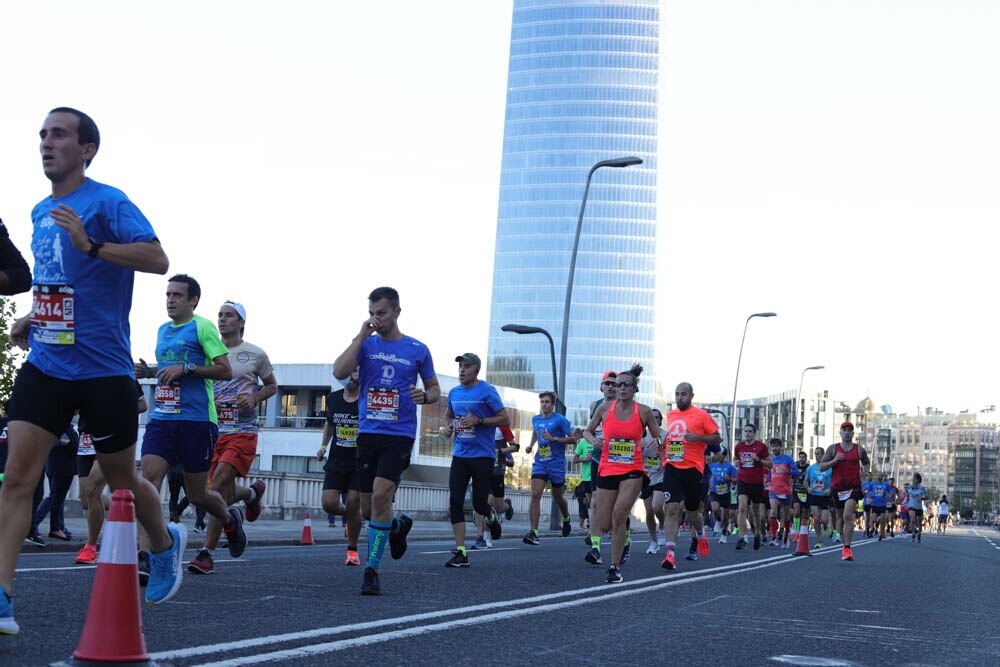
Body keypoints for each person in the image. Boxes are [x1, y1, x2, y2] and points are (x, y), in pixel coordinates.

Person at [0, 107, 181, 635]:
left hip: (103, 368)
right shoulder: (38, 211)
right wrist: (35, 316)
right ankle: (2, 597)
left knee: (122, 480)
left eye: (58, 135)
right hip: (48, 364)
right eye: (41, 135)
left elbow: (158, 258)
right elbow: (60, 279)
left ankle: (165, 542)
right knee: (17, 478)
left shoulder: (107, 201)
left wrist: (93, 244)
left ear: (86, 150)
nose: (45, 143)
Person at [333, 286, 440, 596]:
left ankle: (372, 570)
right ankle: (395, 526)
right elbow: (339, 371)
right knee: (367, 509)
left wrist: (425, 396)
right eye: (371, 313)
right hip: (368, 433)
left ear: (396, 312)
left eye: (380, 313)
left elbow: (433, 389)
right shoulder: (366, 345)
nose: (375, 319)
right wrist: (360, 335)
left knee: (381, 497)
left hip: (400, 434)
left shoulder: (418, 349)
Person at [134, 274, 241, 581]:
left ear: (192, 300)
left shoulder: (203, 326)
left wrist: (188, 368)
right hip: (163, 419)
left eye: (177, 295)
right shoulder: (162, 331)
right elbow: (170, 370)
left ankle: (229, 520)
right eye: (168, 294)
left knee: (197, 495)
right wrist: (150, 371)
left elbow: (224, 369)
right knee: (148, 482)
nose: (170, 299)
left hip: (197, 421)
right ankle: (146, 556)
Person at [187, 300, 277, 575]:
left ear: (241, 323)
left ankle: (207, 553)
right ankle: (250, 494)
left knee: (215, 487)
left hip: (242, 432)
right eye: (220, 315)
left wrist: (254, 396)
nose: (222, 319)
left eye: (229, 316)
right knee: (212, 494)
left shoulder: (254, 354)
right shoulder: (207, 352)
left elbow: (272, 385)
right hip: (213, 431)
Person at [581, 365, 660, 583]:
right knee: (605, 524)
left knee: (619, 515)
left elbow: (658, 436)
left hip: (633, 469)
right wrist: (592, 439)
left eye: (626, 385)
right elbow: (588, 430)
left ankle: (614, 567)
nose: (621, 388)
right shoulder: (605, 409)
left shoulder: (643, 411)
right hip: (608, 467)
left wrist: (650, 442)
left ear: (635, 388)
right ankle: (625, 539)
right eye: (618, 385)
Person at [441, 353, 509, 568]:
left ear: (476, 370)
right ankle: (461, 552)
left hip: (482, 455)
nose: (461, 370)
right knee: (456, 501)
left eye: (466, 366)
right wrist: (449, 427)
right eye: (460, 366)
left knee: (480, 504)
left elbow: (504, 418)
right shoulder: (454, 392)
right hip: (460, 455)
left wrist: (478, 420)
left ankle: (491, 518)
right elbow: (448, 415)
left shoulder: (487, 391)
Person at [75, 381, 148, 564]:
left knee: (92, 489)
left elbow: (142, 405)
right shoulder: (79, 371)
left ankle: (90, 547)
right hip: (85, 440)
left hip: (110, 436)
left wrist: (112, 408)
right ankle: (123, 503)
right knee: (86, 499)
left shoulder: (121, 370)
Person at [658, 382, 721, 571]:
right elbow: (671, 438)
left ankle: (700, 534)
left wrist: (699, 438)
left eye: (683, 394)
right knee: (672, 509)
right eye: (677, 394)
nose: (679, 398)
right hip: (672, 467)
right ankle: (670, 554)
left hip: (693, 469)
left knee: (693, 513)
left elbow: (717, 438)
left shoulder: (701, 415)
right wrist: (661, 446)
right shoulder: (672, 415)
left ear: (691, 395)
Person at [316, 366, 364, 566]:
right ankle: (354, 517)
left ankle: (352, 550)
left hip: (359, 462)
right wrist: (323, 446)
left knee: (353, 501)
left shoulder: (366, 401)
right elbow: (330, 423)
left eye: (357, 372)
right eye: (350, 372)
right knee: (328, 504)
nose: (353, 376)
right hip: (336, 460)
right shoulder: (334, 398)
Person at [819, 421, 871, 561]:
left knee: (848, 515)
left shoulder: (859, 450)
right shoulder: (833, 449)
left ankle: (847, 548)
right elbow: (822, 467)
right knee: (840, 517)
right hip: (837, 488)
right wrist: (834, 460)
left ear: (853, 433)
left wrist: (864, 470)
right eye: (844, 430)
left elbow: (866, 462)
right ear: (840, 433)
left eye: (850, 430)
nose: (847, 432)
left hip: (853, 487)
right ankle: (843, 541)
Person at [582, 371, 618, 562]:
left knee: (616, 507)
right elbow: (590, 430)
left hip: (619, 461)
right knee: (595, 501)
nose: (611, 387)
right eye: (607, 383)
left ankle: (623, 535)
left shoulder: (625, 406)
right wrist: (592, 439)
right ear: (601, 387)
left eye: (614, 383)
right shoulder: (594, 405)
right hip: (598, 459)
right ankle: (596, 547)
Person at [31, 425, 79, 542]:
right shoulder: (61, 428)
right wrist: (66, 443)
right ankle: (36, 523)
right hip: (61, 467)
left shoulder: (64, 427)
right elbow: (62, 444)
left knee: (59, 498)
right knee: (55, 497)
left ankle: (59, 526)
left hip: (59, 467)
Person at [472, 427, 519, 548]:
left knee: (497, 507)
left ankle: (507, 506)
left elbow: (515, 447)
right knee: (482, 503)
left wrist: (500, 451)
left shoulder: (502, 426)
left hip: (497, 471)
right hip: (481, 468)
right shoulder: (477, 423)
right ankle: (482, 537)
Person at [734, 424, 772, 551]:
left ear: (755, 433)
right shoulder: (739, 446)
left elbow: (770, 464)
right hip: (742, 480)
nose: (747, 433)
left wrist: (759, 460)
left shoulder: (761, 447)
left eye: (750, 431)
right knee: (742, 507)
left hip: (756, 482)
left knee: (755, 512)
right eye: (745, 431)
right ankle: (741, 538)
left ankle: (757, 534)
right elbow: (735, 458)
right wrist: (736, 463)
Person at [765, 438, 800, 549]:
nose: (774, 448)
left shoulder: (788, 459)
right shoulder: (770, 460)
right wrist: (768, 479)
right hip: (774, 489)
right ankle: (774, 538)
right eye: (773, 446)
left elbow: (797, 473)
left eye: (776, 446)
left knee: (785, 515)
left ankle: (785, 537)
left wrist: (788, 472)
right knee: (773, 511)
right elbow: (771, 472)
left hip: (786, 490)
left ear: (781, 447)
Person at [641, 408, 666, 554]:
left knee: (657, 507)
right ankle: (653, 541)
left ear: (660, 420)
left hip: (661, 475)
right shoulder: (642, 436)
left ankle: (662, 527)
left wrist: (663, 449)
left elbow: (674, 452)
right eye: (651, 417)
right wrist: (640, 447)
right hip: (645, 476)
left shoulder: (665, 435)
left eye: (656, 417)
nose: (654, 419)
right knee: (649, 511)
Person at [804, 446, 833, 548]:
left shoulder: (829, 468)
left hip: (825, 496)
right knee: (816, 518)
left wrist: (830, 490)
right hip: (814, 495)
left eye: (818, 453)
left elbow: (835, 482)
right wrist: (808, 488)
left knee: (824, 519)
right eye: (815, 454)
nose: (816, 456)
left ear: (823, 455)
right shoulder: (810, 468)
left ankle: (825, 525)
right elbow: (805, 481)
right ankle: (820, 540)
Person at [708, 451, 739, 544]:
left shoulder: (730, 467)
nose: (717, 456)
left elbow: (737, 479)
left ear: (724, 455)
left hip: (727, 493)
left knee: (726, 515)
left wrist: (730, 479)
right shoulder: (712, 465)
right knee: (715, 509)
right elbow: (707, 474)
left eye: (719, 455)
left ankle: (724, 534)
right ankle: (718, 520)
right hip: (715, 491)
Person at [868, 471, 891, 540]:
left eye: (881, 475)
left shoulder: (886, 484)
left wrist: (888, 495)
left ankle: (881, 533)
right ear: (876, 476)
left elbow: (889, 493)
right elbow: (868, 491)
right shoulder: (872, 483)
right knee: (873, 519)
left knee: (883, 520)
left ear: (882, 477)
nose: (879, 477)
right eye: (878, 475)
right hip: (874, 504)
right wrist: (869, 498)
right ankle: (872, 529)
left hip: (882, 504)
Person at [907, 473, 929, 543]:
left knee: (920, 522)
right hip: (911, 506)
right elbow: (906, 495)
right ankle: (913, 534)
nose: (913, 479)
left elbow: (926, 496)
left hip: (919, 507)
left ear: (918, 480)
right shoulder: (909, 487)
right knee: (912, 520)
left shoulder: (922, 488)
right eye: (913, 478)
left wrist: (922, 497)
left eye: (915, 478)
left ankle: (919, 534)